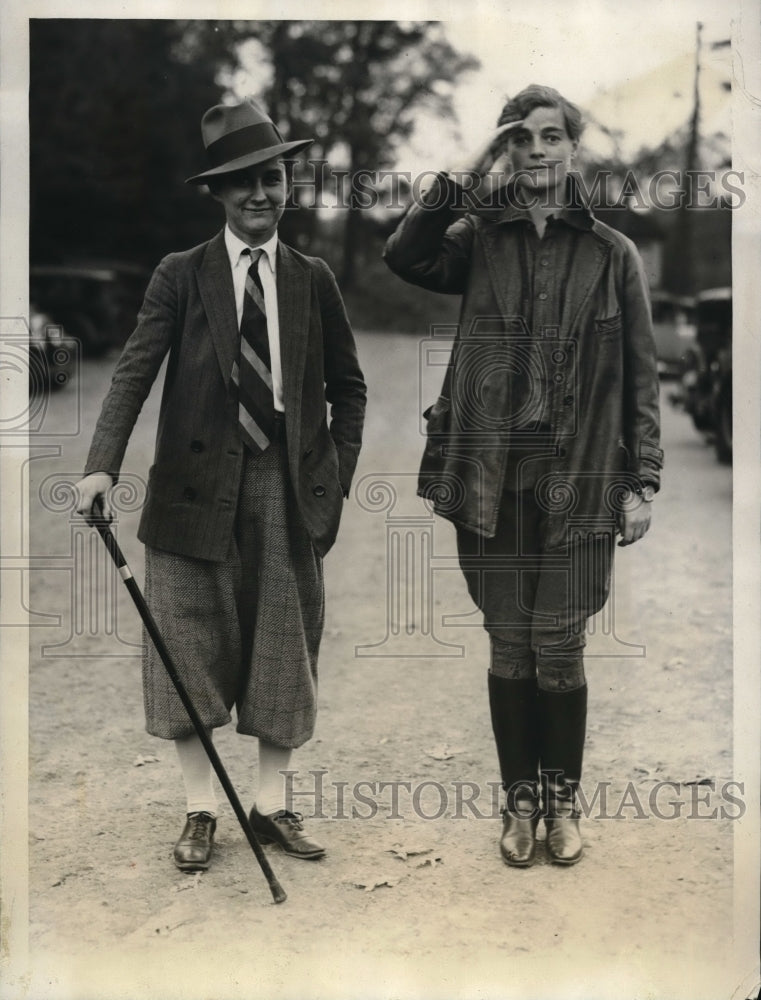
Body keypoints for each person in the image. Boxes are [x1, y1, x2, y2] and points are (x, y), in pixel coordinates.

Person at [75, 98, 366, 871]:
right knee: (186, 645)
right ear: (217, 193)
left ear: (287, 182)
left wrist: (330, 479)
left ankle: (272, 807)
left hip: (282, 488)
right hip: (190, 493)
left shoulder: (312, 279)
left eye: (271, 178)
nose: (260, 195)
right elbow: (134, 371)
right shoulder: (179, 275)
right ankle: (201, 810)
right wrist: (101, 463)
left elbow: (351, 387)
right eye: (242, 184)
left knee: (283, 644)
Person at [383, 85, 662, 867]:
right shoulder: (478, 238)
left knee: (558, 644)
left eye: (550, 137)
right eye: (521, 139)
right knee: (508, 643)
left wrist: (641, 481)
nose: (536, 151)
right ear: (506, 151)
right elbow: (404, 256)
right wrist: (462, 173)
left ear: (574, 149)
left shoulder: (612, 253)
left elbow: (642, 376)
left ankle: (561, 805)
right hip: (490, 474)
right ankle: (517, 807)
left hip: (579, 475)